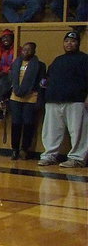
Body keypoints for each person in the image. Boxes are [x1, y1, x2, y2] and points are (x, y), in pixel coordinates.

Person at [37, 31, 88, 168]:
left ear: (78, 43)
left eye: (72, 41)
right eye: (66, 41)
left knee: (78, 131)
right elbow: (47, 79)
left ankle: (77, 158)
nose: (69, 44)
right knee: (51, 131)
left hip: (76, 100)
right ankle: (50, 156)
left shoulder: (84, 59)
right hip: (53, 100)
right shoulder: (58, 60)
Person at [8, 42, 46, 160]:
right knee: (16, 123)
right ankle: (14, 149)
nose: (26, 52)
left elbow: (42, 83)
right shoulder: (16, 63)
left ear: (34, 51)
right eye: (24, 50)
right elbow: (11, 80)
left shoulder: (40, 65)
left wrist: (40, 99)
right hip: (15, 96)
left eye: (29, 50)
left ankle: (25, 149)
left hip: (31, 97)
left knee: (28, 123)